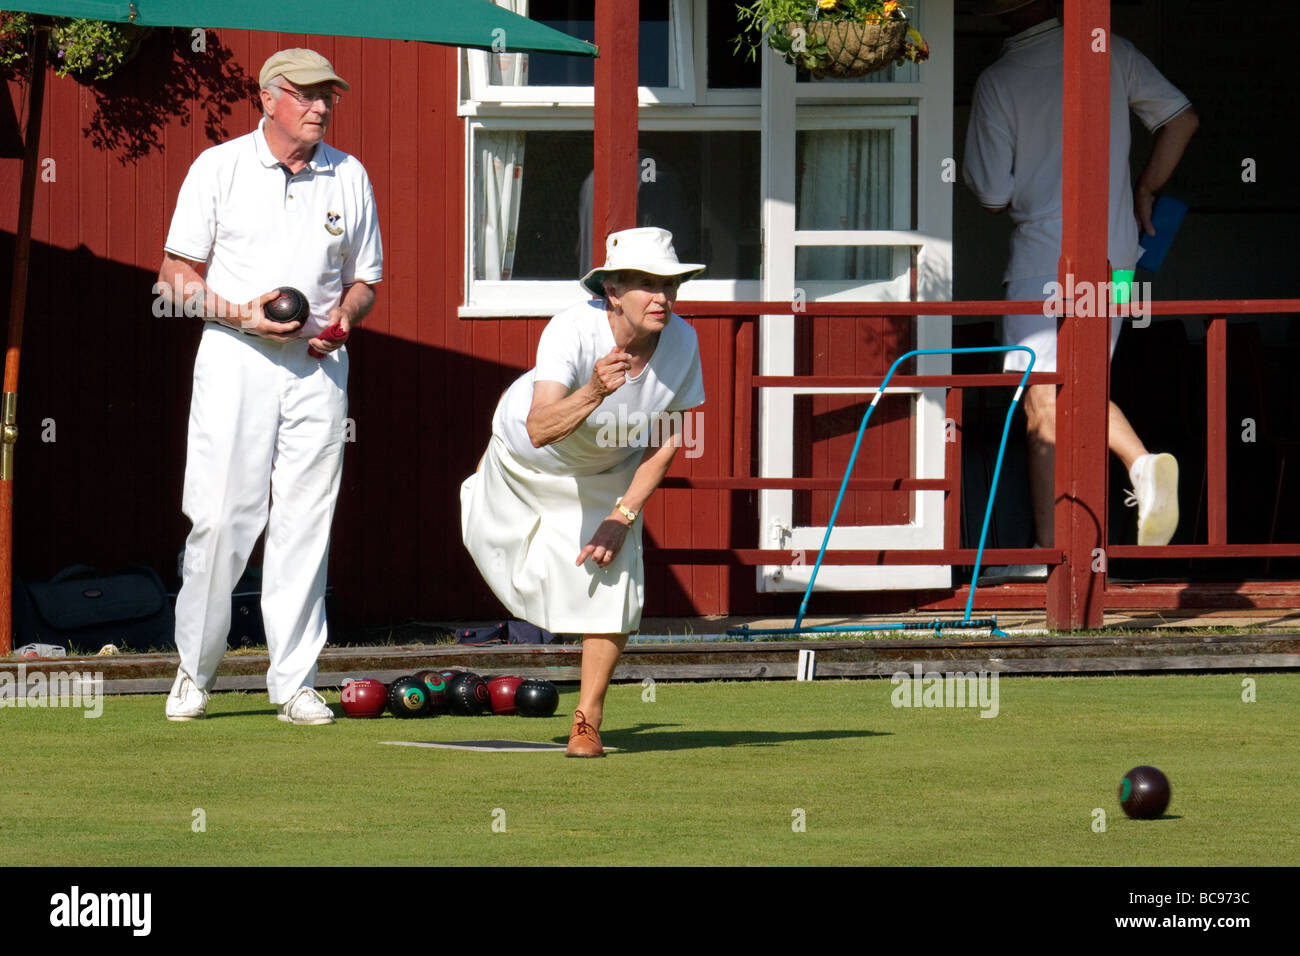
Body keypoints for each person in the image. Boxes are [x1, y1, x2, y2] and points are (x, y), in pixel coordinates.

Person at [157, 49, 382, 723]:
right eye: (310, 96)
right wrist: (241, 314)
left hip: (318, 367)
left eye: (328, 97)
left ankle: (293, 684)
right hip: (235, 358)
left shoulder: (349, 176)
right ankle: (194, 672)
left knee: (305, 524)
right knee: (222, 518)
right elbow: (174, 276)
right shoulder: (218, 168)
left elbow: (364, 282)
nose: (322, 107)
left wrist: (343, 321)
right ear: (270, 98)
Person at [963, 0, 1198, 581]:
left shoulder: (999, 79)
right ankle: (1067, 547)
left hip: (1044, 258)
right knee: (1077, 385)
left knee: (1043, 394)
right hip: (1117, 259)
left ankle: (1074, 533)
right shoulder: (1111, 49)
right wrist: (1144, 190)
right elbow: (1182, 121)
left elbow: (991, 194)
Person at [461, 227, 705, 757]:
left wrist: (623, 513)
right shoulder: (571, 329)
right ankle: (483, 477)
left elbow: (665, 443)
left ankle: (587, 717)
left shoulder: (684, 342)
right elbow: (540, 428)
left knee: (613, 588)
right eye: (646, 284)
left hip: (606, 472)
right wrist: (594, 389)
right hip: (525, 456)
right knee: (489, 545)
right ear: (613, 292)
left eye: (670, 284)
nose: (662, 297)